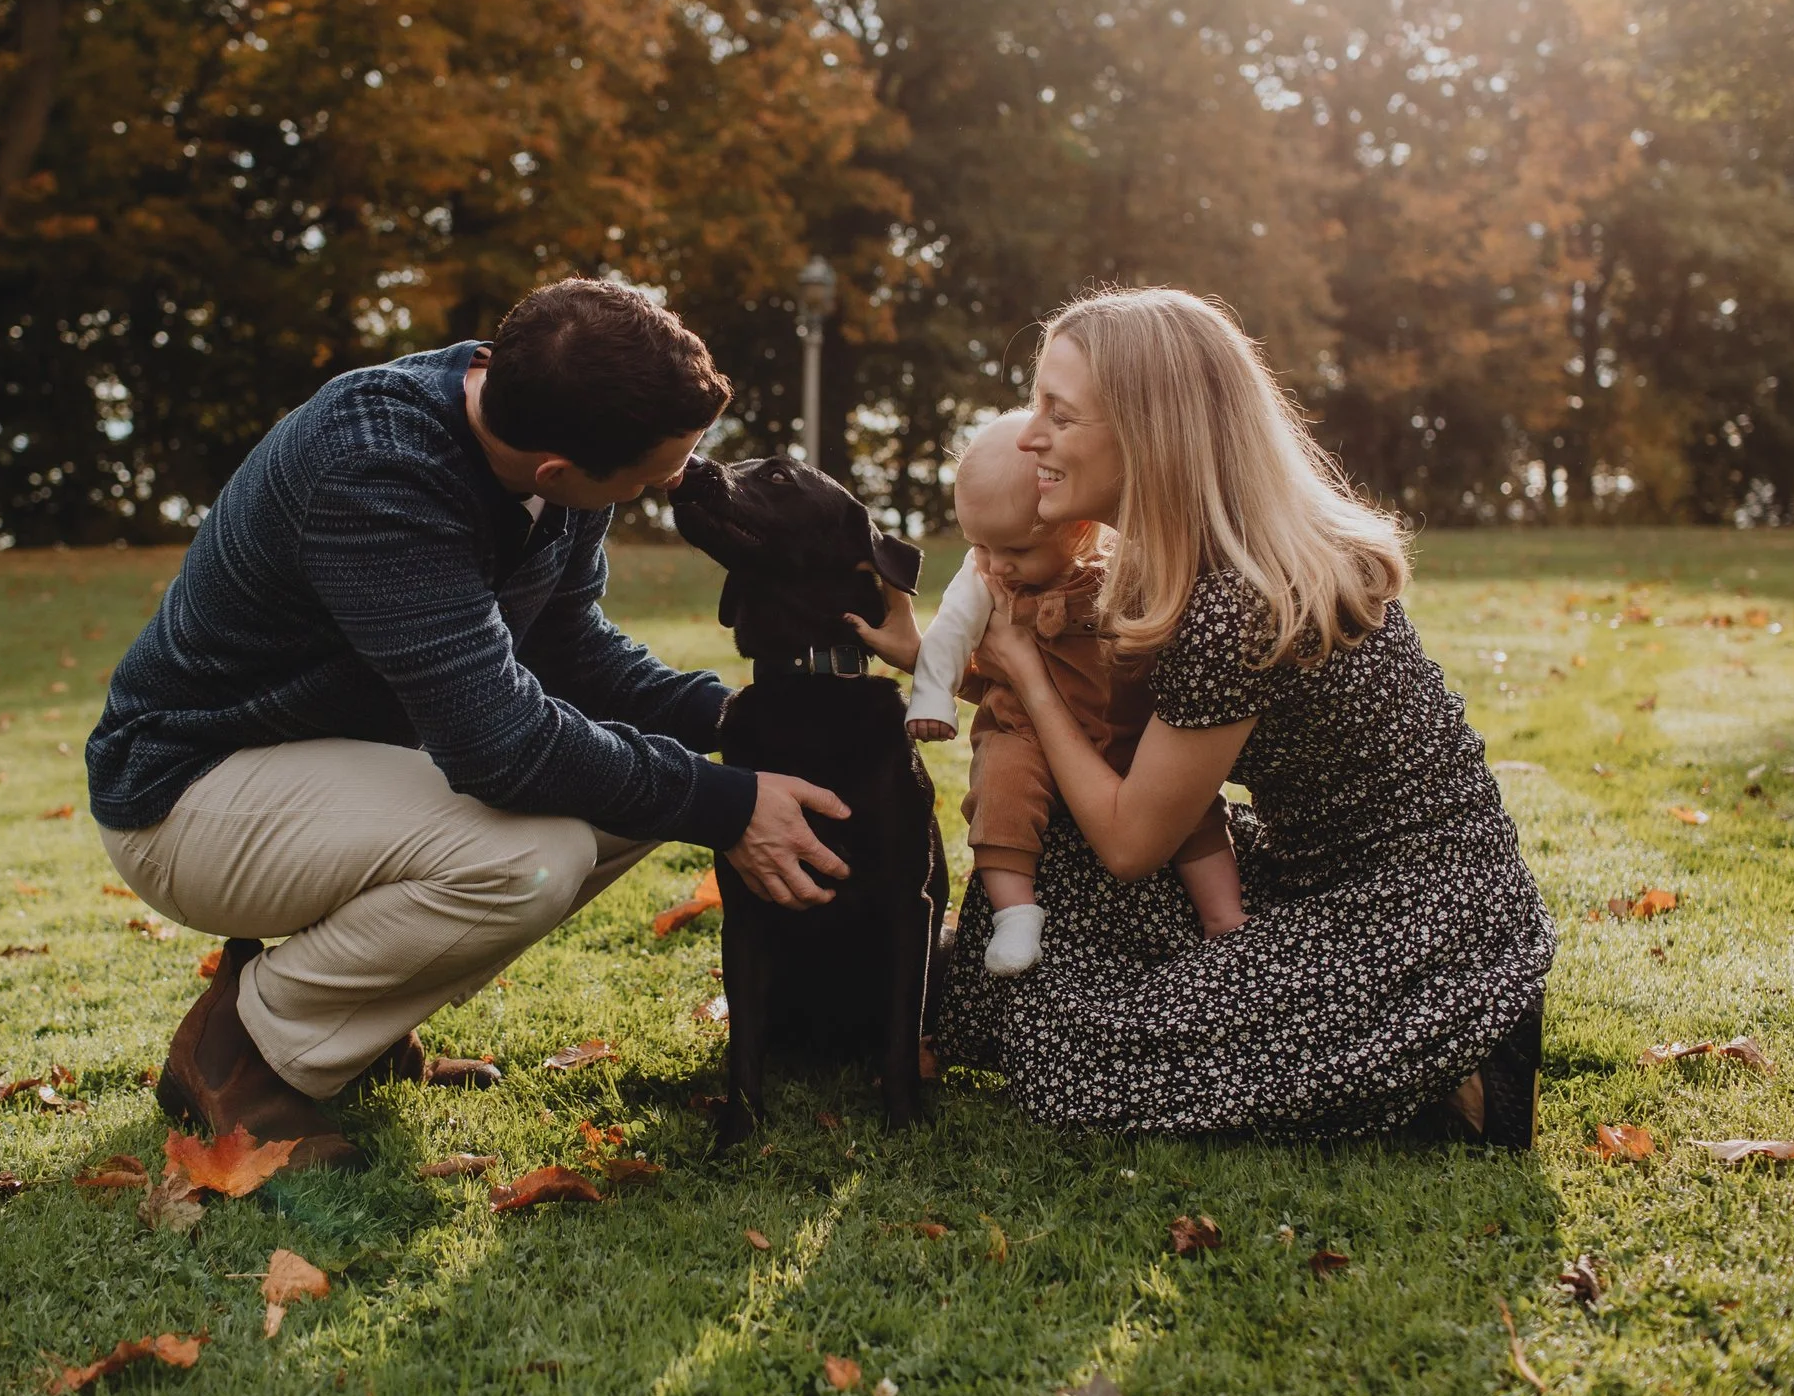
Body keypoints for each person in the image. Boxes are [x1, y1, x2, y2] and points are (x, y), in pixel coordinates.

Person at [86, 279, 852, 1169]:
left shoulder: (558, 427)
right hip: (188, 793)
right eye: (650, 478)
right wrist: (725, 801)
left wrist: (742, 720)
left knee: (651, 777)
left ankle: (357, 1036)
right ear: (559, 475)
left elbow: (569, 651)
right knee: (533, 858)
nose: (673, 483)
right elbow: (503, 746)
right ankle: (243, 1053)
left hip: (339, 773)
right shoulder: (376, 470)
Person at [935, 288, 1556, 1144]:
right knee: (1061, 855)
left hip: (1419, 918)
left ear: (1149, 432)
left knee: (1068, 1052)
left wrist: (1028, 682)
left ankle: (1459, 1065)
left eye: (1059, 413)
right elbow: (1109, 765)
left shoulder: (1236, 600)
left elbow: (1131, 840)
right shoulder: (1185, 556)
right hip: (1309, 877)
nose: (1029, 432)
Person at [846, 412, 1241, 978]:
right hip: (1025, 730)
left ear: (1078, 530)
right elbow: (955, 639)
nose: (995, 565)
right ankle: (1015, 913)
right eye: (978, 546)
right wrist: (930, 694)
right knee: (999, 786)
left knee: (1190, 811)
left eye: (1014, 550)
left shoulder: (1127, 569)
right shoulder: (986, 576)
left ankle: (1225, 919)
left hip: (1127, 730)